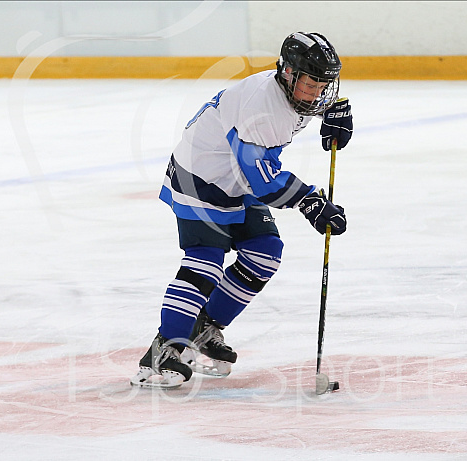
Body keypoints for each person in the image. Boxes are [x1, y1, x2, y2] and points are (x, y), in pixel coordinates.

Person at [131, 32, 354, 388]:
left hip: (239, 178)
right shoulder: (260, 108)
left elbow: (261, 168)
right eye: (312, 85)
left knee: (265, 254)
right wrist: (311, 200)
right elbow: (264, 182)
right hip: (201, 178)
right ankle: (166, 346)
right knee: (205, 259)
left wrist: (335, 110)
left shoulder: (294, 94)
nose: (317, 94)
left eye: (324, 86)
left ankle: (204, 329)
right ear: (288, 74)